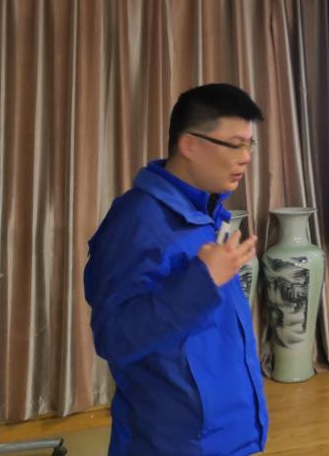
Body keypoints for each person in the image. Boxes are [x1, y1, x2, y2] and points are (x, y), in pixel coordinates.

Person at [84, 84, 269, 455]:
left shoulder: (203, 215)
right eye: (235, 145)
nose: (246, 158)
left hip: (230, 437)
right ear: (190, 145)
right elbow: (114, 337)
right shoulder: (137, 222)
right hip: (175, 443)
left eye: (250, 144)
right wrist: (203, 280)